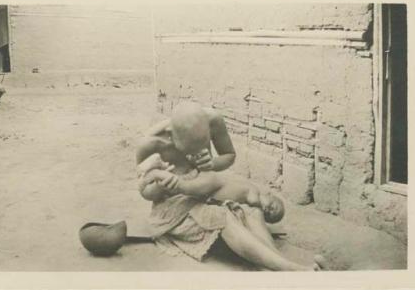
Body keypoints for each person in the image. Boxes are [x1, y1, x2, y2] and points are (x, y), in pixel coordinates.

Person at [136, 101, 327, 271]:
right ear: (171, 134)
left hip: (207, 190)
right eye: (188, 150)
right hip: (176, 205)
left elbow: (228, 157)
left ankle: (276, 264)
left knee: (251, 210)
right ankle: (293, 270)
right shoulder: (151, 144)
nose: (193, 157)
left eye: (201, 147)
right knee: (223, 217)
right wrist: (166, 185)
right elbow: (146, 190)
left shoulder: (213, 120)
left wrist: (212, 163)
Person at [137, 153, 285, 224]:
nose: (268, 211)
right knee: (175, 185)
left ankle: (156, 173)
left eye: (269, 216)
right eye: (272, 207)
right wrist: (258, 208)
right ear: (269, 194)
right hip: (213, 185)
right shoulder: (255, 191)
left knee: (171, 189)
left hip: (210, 192)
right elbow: (253, 201)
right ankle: (155, 173)